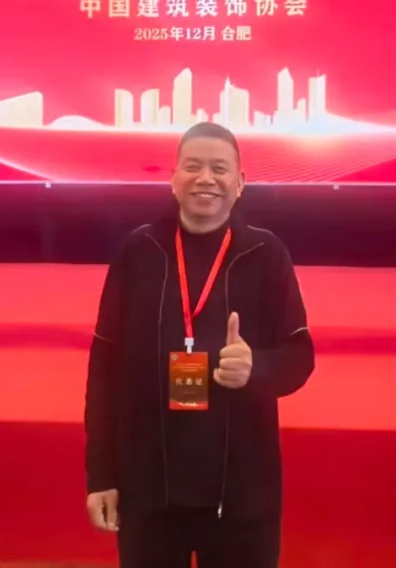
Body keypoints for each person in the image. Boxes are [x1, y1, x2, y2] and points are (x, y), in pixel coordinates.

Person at [84, 121, 315, 568]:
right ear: (173, 178)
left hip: (242, 497)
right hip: (148, 492)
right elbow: (104, 370)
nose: (205, 178)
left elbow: (300, 357)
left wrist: (257, 368)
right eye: (192, 167)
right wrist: (101, 475)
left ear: (240, 183)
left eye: (219, 169)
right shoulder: (138, 252)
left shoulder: (266, 255)